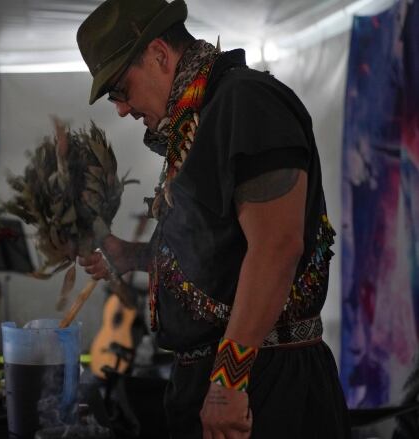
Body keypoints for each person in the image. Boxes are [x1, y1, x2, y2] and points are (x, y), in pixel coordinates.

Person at [76, 0, 351, 438]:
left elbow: (277, 247)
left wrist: (229, 380)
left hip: (264, 385)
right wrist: (132, 256)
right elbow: (218, 255)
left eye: (120, 89)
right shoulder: (198, 119)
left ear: (160, 55)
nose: (122, 109)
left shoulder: (246, 100)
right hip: (223, 380)